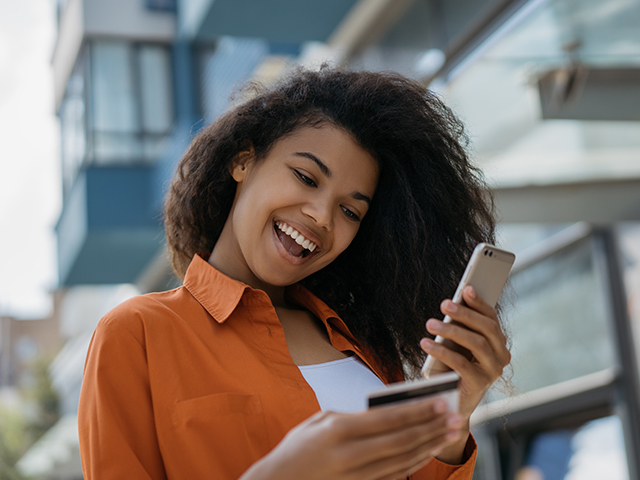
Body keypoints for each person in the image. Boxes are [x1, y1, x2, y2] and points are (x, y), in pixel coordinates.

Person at [78, 67, 511, 480]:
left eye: (350, 210)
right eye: (306, 177)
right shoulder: (138, 334)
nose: (322, 216)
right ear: (243, 160)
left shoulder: (366, 348)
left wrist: (451, 421)